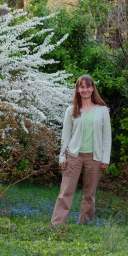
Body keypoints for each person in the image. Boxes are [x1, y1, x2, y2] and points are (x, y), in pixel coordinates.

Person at [51, 75, 112, 226]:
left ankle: (86, 223)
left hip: (95, 157)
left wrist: (105, 158)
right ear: (78, 90)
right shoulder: (71, 110)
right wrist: (62, 156)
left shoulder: (102, 110)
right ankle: (57, 224)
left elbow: (106, 137)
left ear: (92, 89)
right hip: (73, 156)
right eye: (81, 87)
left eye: (87, 87)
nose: (84, 90)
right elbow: (65, 135)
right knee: (66, 191)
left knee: (89, 194)